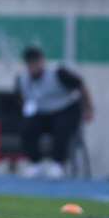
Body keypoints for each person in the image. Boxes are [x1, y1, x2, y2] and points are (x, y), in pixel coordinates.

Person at [15, 47, 94, 180]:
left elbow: (80, 84)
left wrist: (88, 108)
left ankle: (57, 164)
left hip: (65, 109)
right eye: (30, 64)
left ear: (42, 61)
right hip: (43, 113)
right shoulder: (22, 80)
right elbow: (21, 97)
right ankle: (35, 164)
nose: (34, 67)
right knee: (26, 128)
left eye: (36, 62)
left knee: (62, 128)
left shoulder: (58, 74)